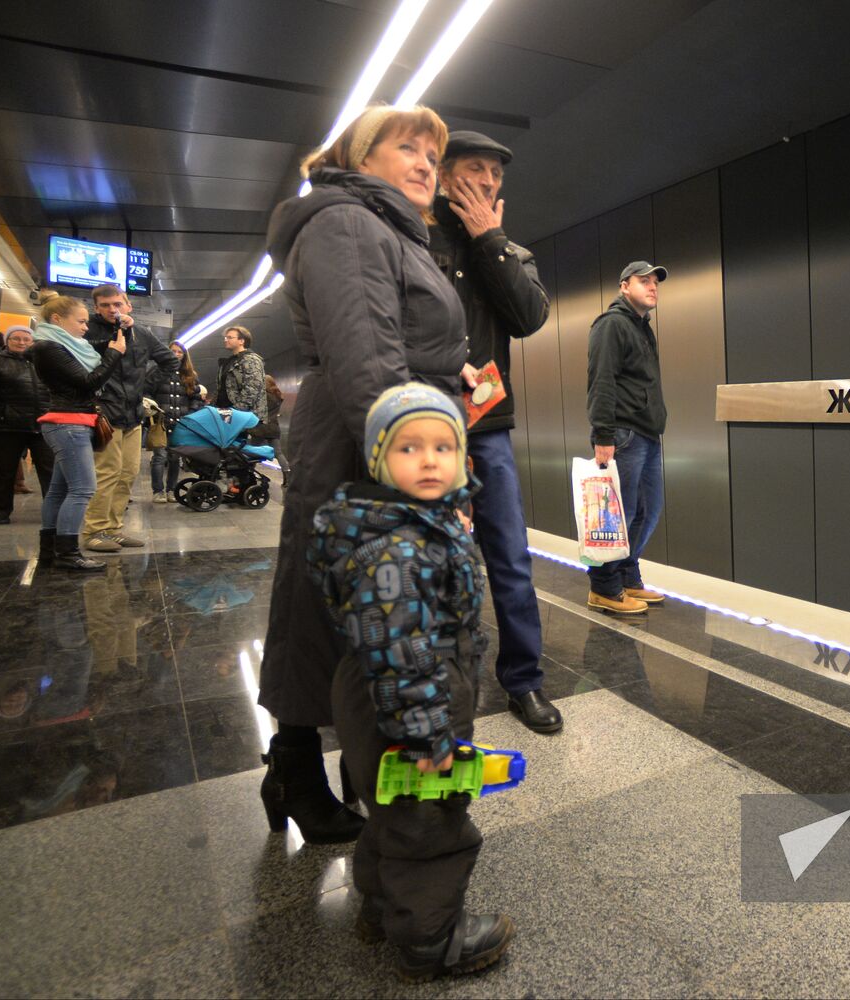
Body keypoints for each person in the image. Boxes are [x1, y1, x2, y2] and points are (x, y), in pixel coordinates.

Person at [257, 103, 466, 844]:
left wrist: (453, 373)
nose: (423, 163)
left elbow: (391, 342)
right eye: (404, 146)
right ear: (356, 157)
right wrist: (416, 479)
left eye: (431, 155)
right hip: (362, 447)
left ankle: (340, 770)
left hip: (375, 437)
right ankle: (297, 769)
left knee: (356, 613)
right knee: (331, 610)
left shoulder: (387, 231)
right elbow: (366, 358)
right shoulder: (346, 223)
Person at [311, 383, 513, 979]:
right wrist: (427, 734)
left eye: (443, 447)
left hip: (395, 689)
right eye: (408, 447)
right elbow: (401, 649)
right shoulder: (396, 547)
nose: (429, 459)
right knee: (431, 820)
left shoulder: (414, 522)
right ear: (379, 460)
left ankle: (380, 907)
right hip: (410, 695)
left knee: (392, 808)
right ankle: (432, 939)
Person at [430, 131, 560, 734]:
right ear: (444, 172)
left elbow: (530, 317)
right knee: (429, 559)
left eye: (496, 175)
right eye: (475, 169)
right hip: (423, 426)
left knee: (510, 557)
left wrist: (490, 240)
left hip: (489, 428)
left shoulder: (506, 249)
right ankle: (431, 684)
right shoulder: (413, 237)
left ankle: (524, 683)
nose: (487, 182)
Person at [585, 261, 670, 615]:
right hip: (622, 433)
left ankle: (627, 574)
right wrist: (603, 433)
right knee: (618, 515)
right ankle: (604, 586)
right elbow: (601, 380)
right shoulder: (612, 325)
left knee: (648, 510)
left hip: (647, 433)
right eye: (644, 281)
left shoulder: (641, 327)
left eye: (655, 283)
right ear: (624, 286)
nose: (653, 287)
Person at [28, 294, 127, 571]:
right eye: (81, 321)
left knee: (59, 490)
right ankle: (68, 553)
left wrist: (120, 333)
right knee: (83, 488)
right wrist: (115, 354)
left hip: (69, 423)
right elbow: (88, 382)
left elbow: (96, 347)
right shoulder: (49, 348)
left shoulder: (62, 346)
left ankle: (50, 550)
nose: (86, 328)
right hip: (69, 424)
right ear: (58, 319)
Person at [81, 285, 177, 553]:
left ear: (128, 305)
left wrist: (145, 387)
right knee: (106, 474)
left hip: (133, 414)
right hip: (104, 413)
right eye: (106, 305)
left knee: (128, 473)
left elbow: (170, 362)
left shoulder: (142, 334)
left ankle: (113, 529)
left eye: (117, 304)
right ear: (96, 308)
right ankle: (94, 530)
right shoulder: (87, 331)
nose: (113, 310)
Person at [0, 325, 54, 523]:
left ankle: (54, 512)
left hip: (43, 424)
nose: (21, 342)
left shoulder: (43, 363)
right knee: (3, 471)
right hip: (7, 426)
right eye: (16, 339)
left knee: (50, 471)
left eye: (26, 339)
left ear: (32, 342)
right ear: (7, 341)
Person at [146, 341, 204, 502]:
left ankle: (171, 490)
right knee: (159, 457)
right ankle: (158, 491)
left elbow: (196, 398)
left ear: (184, 355)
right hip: (161, 422)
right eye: (173, 351)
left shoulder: (190, 375)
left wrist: (191, 414)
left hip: (181, 423)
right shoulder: (157, 371)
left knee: (174, 458)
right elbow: (146, 392)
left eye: (180, 352)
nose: (176, 354)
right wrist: (153, 407)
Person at [215, 325, 268, 424]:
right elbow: (221, 389)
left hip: (243, 417)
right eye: (225, 338)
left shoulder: (251, 360)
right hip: (227, 415)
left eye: (230, 337)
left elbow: (252, 388)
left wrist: (236, 411)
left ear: (241, 341)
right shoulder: (228, 362)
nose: (226, 340)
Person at [249, 375, 292, 488]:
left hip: (260, 428)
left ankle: (248, 475)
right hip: (273, 427)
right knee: (278, 453)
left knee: (251, 451)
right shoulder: (277, 396)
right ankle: (288, 477)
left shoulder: (262, 396)